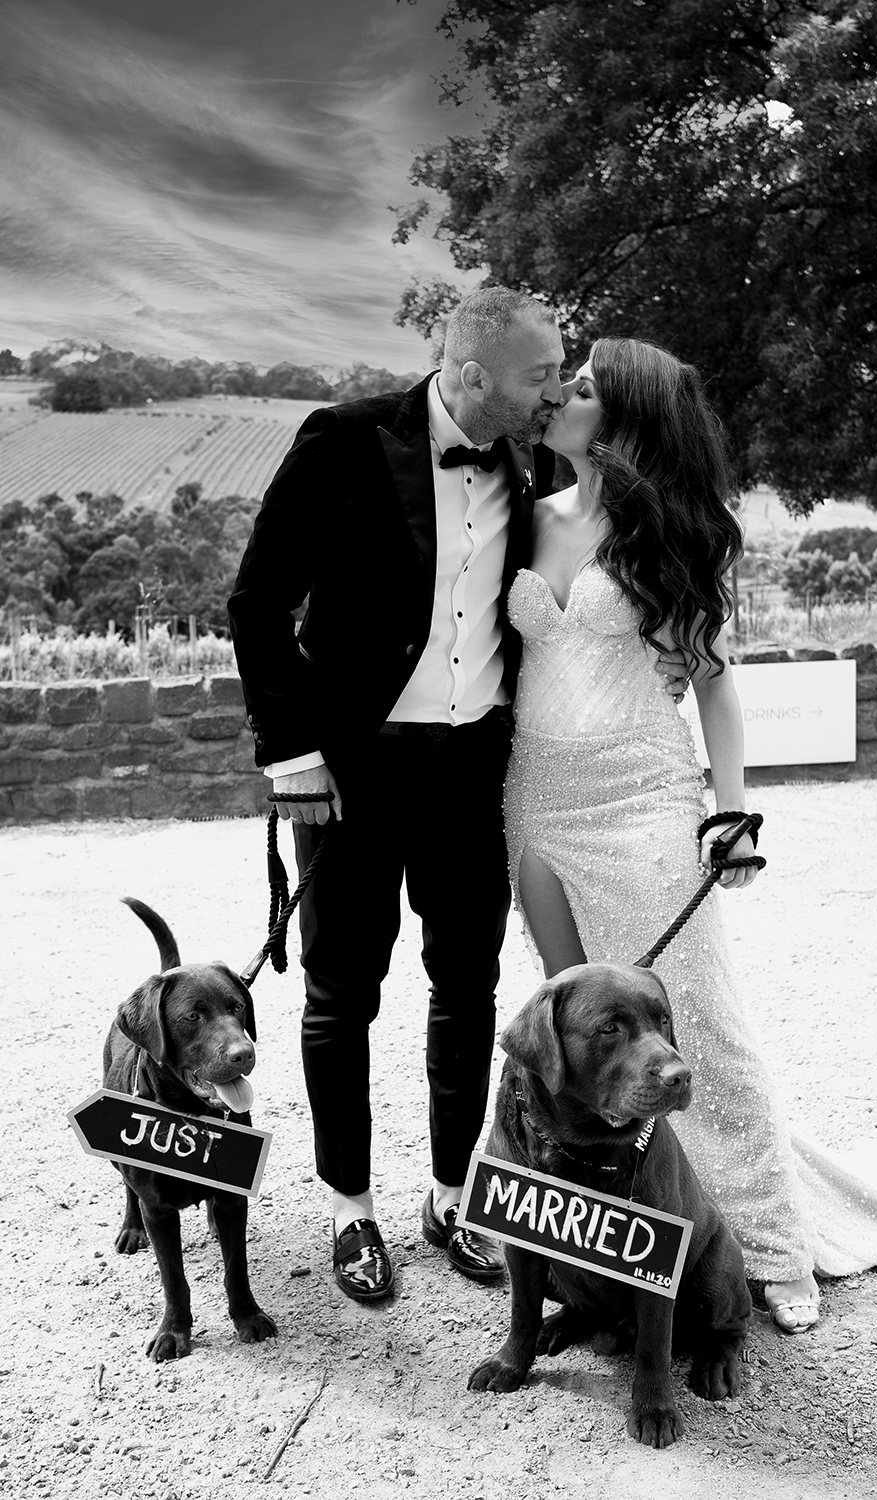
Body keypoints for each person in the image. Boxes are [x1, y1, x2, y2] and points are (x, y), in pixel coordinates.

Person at [502, 335, 877, 1334]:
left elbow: (717, 688)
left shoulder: (661, 536)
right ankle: (623, 1237)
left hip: (642, 800)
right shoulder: (526, 516)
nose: (561, 396)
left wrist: (729, 814)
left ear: (625, 419)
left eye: (585, 388)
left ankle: (769, 1246)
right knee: (586, 1039)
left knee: (701, 1026)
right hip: (534, 807)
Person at [228, 288, 587, 1302]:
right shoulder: (344, 440)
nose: (553, 390)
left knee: (467, 985)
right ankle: (351, 1209)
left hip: (474, 768)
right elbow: (258, 599)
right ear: (472, 376)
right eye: (538, 375)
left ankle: (452, 1195)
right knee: (342, 991)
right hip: (350, 769)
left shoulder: (537, 463)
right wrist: (291, 756)